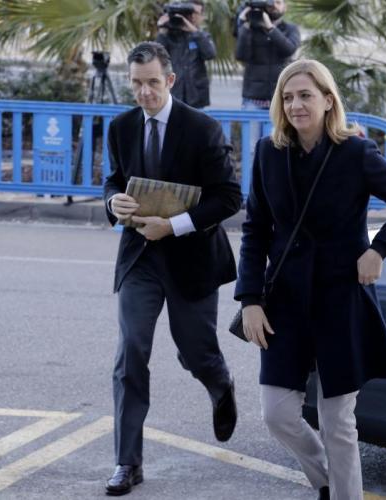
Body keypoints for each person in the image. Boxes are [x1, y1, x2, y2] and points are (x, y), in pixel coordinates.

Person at [234, 59, 386, 500]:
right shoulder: (268, 152)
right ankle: (327, 478)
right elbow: (255, 230)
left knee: (338, 420)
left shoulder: (355, 153)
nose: (295, 105)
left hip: (341, 299)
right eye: (287, 97)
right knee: (277, 414)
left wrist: (380, 250)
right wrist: (250, 299)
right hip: (284, 301)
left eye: (305, 95)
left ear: (327, 100)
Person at [103, 41, 241, 496]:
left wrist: (174, 226)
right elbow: (115, 179)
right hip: (139, 258)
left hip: (192, 258)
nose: (144, 92)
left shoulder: (202, 128)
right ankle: (127, 462)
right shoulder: (121, 127)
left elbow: (228, 198)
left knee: (195, 352)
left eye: (152, 83)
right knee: (130, 353)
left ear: (171, 80)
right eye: (136, 84)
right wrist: (113, 201)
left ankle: (220, 384)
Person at [235, 0, 301, 111]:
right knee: (250, 123)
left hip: (282, 96)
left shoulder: (291, 29)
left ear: (285, 7)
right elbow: (241, 56)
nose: (273, 6)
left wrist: (270, 28)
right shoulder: (250, 28)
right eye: (270, 2)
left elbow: (289, 49)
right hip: (253, 99)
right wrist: (244, 25)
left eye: (278, 2)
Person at [156, 0, 215, 109]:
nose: (193, 17)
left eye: (196, 13)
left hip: (196, 97)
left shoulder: (202, 36)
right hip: (174, 95)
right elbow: (157, 57)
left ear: (202, 16)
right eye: (190, 13)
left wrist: (194, 31)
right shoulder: (168, 36)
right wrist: (162, 31)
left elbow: (210, 54)